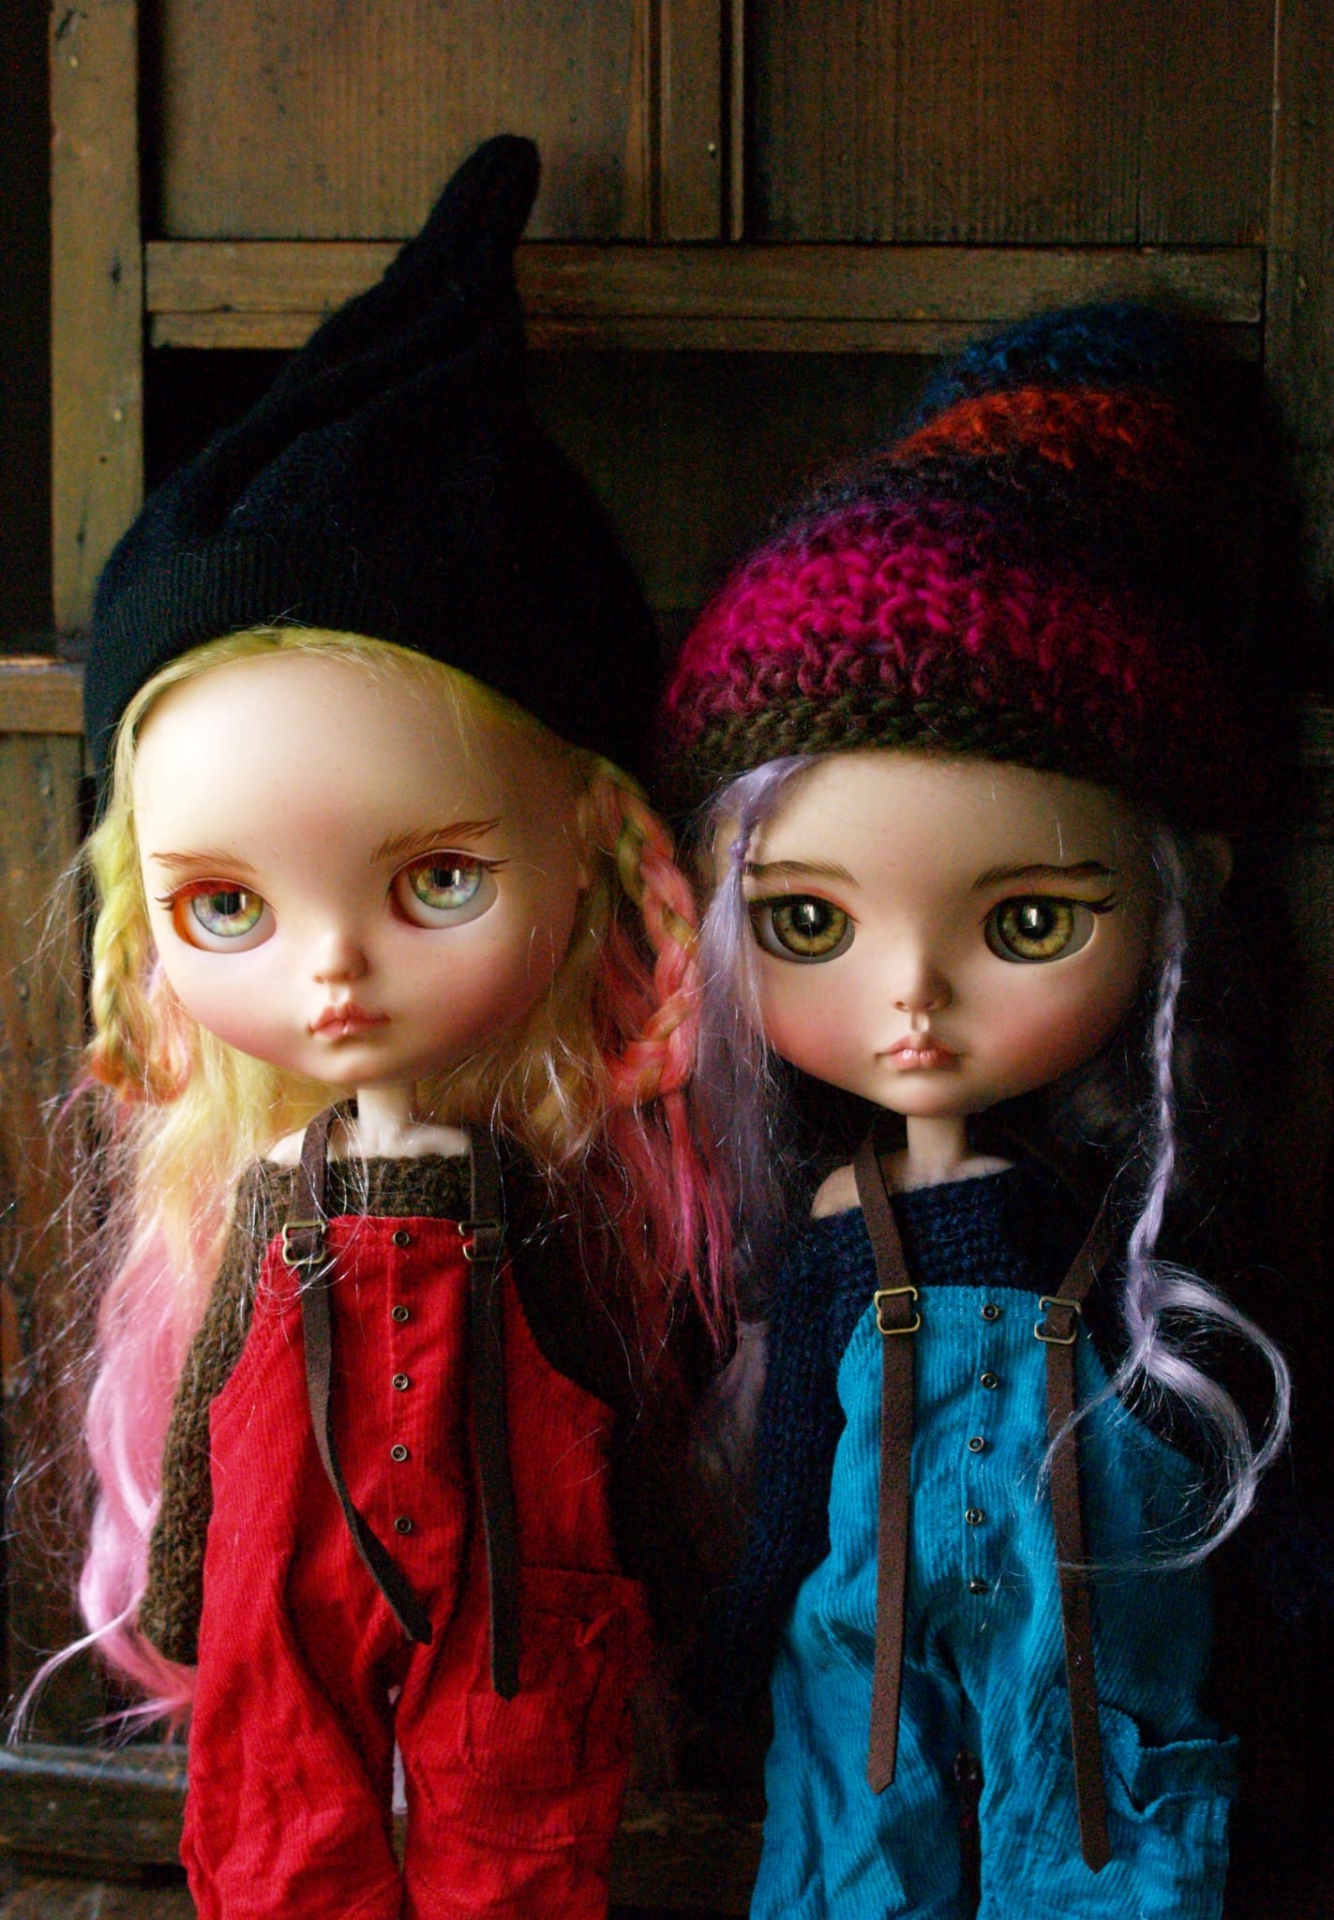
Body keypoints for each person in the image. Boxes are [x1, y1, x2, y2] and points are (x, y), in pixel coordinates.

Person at [55, 135, 724, 1920]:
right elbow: (218, 1399)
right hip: (289, 1584)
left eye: (436, 882)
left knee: (518, 1826)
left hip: (512, 1597)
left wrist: (643, 1573)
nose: (332, 974)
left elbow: (593, 1383)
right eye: (227, 907)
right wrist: (191, 1597)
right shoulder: (260, 1205)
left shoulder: (541, 1203)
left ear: (605, 858)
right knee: (283, 1821)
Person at [656, 305, 1291, 1919]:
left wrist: (1296, 1583)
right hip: (859, 1662)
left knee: (1102, 1861)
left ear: (1187, 893)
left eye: (1027, 923)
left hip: (1094, 1646)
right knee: (854, 1867)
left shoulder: (1117, 1216)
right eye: (809, 924)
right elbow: (798, 1460)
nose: (913, 1004)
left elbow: (1203, 1400)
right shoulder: (833, 1223)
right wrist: (739, 1625)